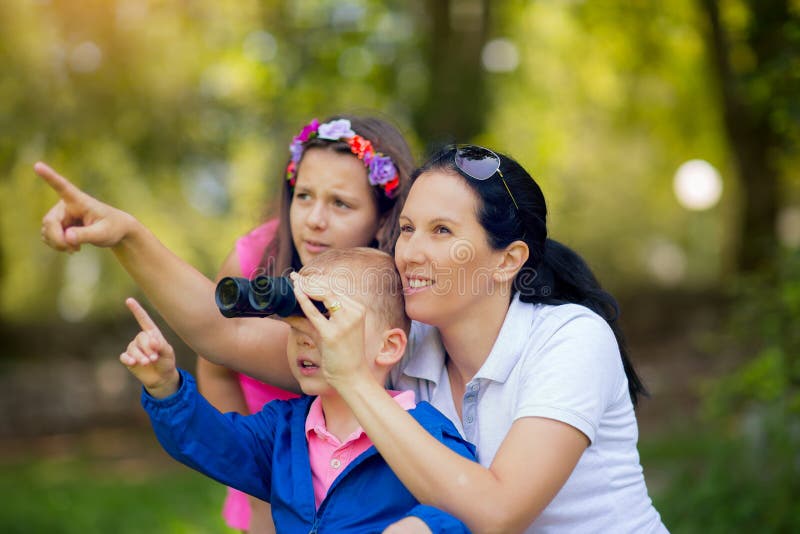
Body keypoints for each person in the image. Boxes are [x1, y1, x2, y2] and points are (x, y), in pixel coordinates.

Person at [36, 114, 416, 533]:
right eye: (303, 196)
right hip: (276, 462)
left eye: (341, 203)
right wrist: (258, 485)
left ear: (384, 219)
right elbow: (219, 347)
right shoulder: (259, 257)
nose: (314, 220)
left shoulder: (404, 293)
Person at [288, 145, 668, 533]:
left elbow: (498, 513)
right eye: (407, 229)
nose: (410, 253)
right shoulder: (403, 344)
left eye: (441, 231)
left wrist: (353, 379)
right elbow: (237, 339)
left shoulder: (571, 338)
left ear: (507, 260)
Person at [120, 247, 475, 533]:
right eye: (296, 325)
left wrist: (425, 525)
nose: (305, 338)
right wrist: (165, 387)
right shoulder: (284, 431)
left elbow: (467, 504)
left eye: (325, 319)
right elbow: (213, 444)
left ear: (389, 347)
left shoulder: (420, 432)